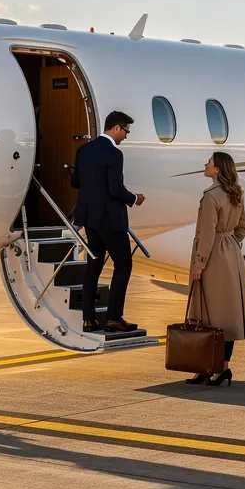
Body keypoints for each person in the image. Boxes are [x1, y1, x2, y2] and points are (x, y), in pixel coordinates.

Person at [184, 152, 245, 386]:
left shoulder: (211, 197)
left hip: (213, 257)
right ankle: (220, 368)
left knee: (206, 314)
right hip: (230, 255)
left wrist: (199, 264)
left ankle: (208, 368)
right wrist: (230, 242)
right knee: (226, 316)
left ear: (217, 170)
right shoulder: (237, 193)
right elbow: (243, 227)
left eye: (210, 162)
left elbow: (206, 234)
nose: (205, 164)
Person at [71, 111, 145, 334]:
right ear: (116, 128)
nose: (126, 136)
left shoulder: (83, 150)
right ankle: (113, 317)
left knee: (93, 267)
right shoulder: (114, 154)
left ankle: (88, 318)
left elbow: (76, 182)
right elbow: (115, 189)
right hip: (110, 220)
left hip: (89, 219)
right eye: (126, 131)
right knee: (123, 265)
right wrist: (135, 198)